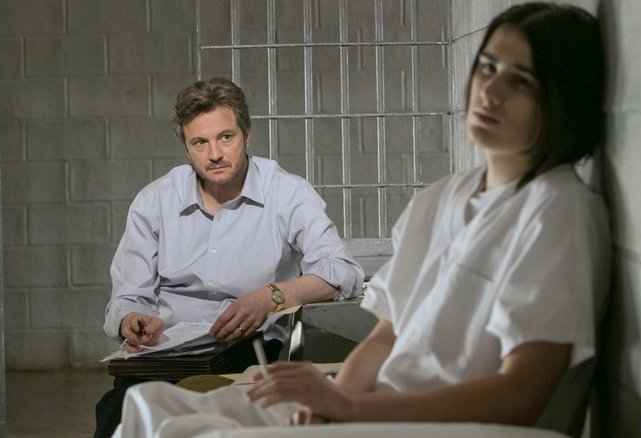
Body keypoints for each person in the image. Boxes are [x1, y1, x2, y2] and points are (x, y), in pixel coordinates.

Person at [112, 3, 610, 437]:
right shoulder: (444, 197)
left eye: (520, 80)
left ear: (564, 99)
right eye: (488, 66)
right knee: (150, 405)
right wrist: (330, 408)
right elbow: (384, 338)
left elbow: (523, 396)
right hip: (375, 404)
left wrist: (349, 408)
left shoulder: (557, 211)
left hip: (431, 421)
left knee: (184, 431)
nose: (491, 90)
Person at [93, 77, 364, 438]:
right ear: (186, 147)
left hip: (252, 350)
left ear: (246, 136)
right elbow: (127, 297)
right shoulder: (154, 201)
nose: (215, 154)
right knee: (119, 414)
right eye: (200, 142)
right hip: (168, 354)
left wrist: (271, 296)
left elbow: (342, 272)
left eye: (226, 137)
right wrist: (132, 319)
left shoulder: (287, 193)